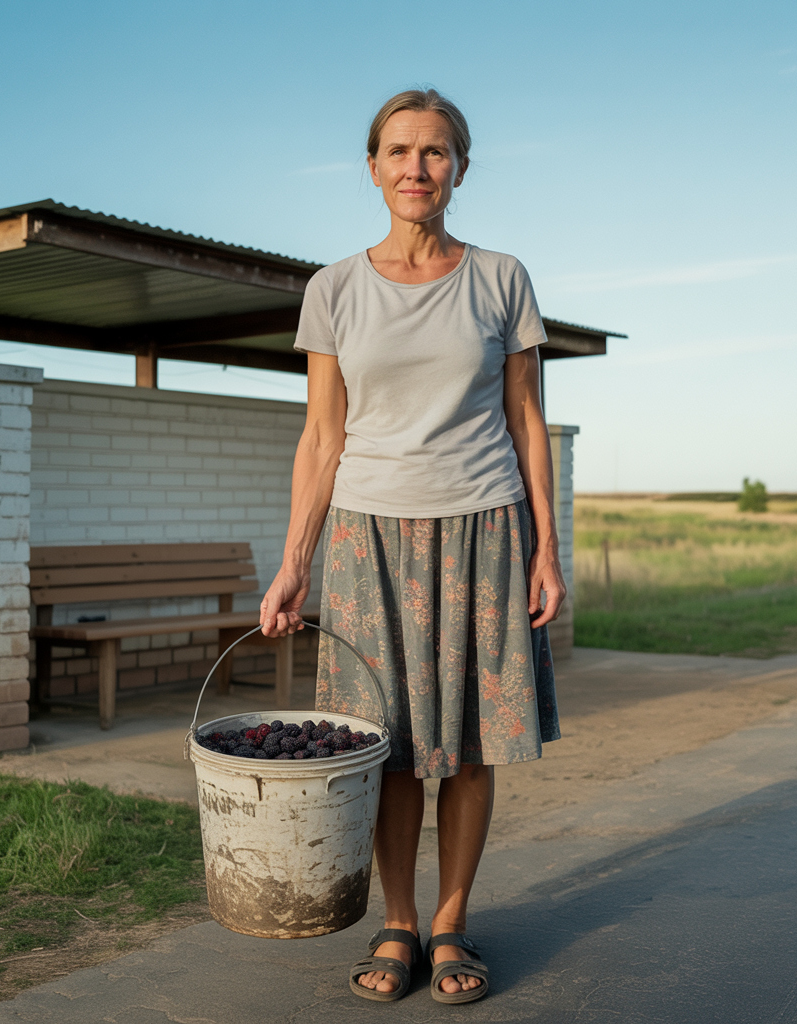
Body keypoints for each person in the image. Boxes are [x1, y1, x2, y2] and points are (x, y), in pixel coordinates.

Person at [260, 87, 564, 1005]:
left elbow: (527, 420)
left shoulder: (502, 277)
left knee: (468, 745)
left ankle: (450, 923)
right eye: (399, 151)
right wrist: (293, 561)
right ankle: (398, 921)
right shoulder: (334, 290)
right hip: (367, 540)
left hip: (485, 527)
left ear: (459, 169)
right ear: (372, 166)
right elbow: (322, 436)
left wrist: (549, 549)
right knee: (384, 745)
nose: (416, 168)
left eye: (435, 153)